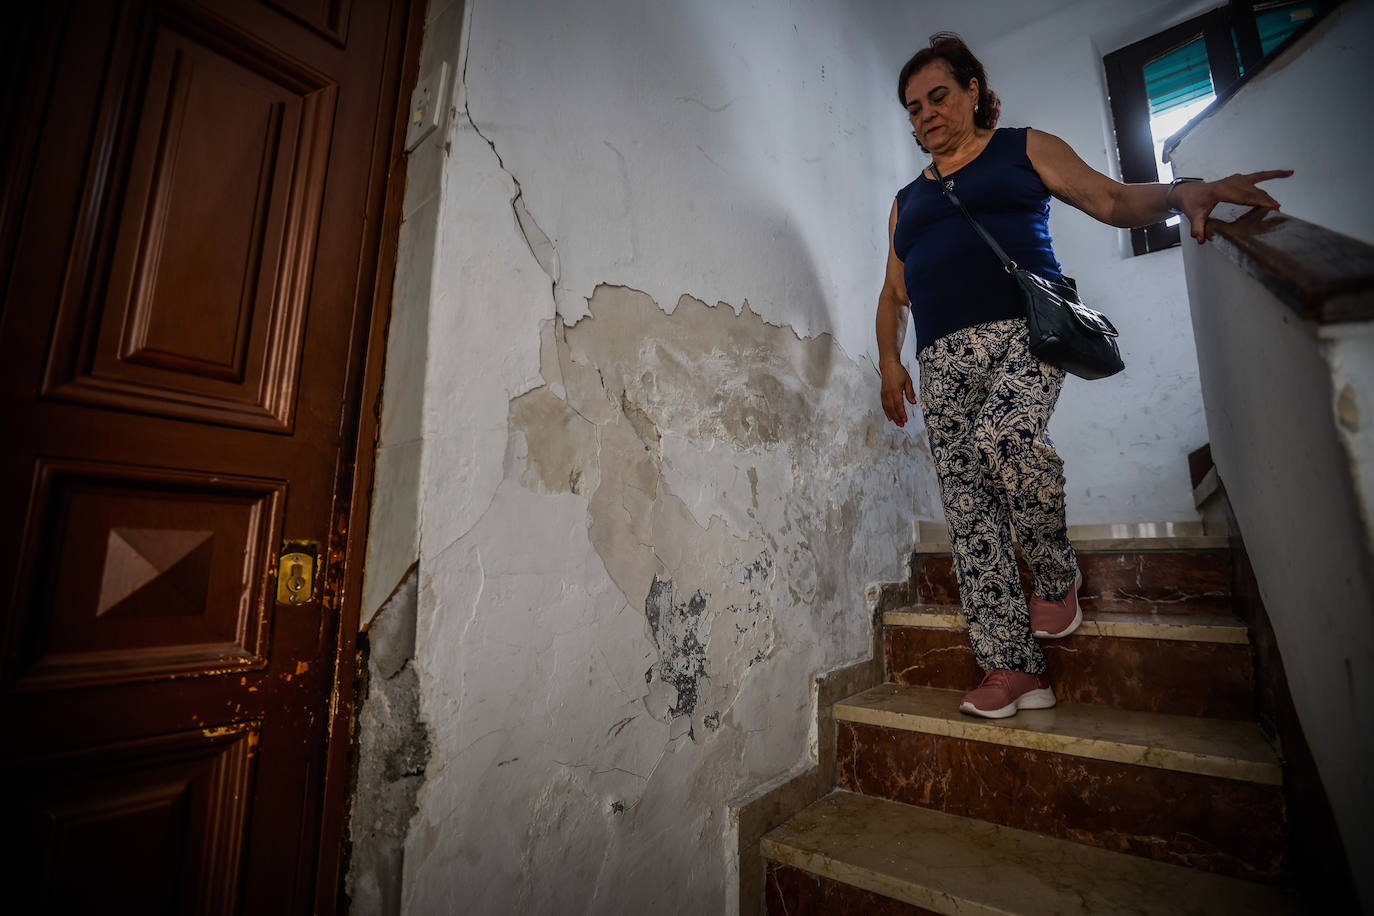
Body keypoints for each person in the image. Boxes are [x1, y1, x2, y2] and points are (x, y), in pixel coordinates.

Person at [876, 33, 1290, 719]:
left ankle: (1055, 574)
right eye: (913, 108)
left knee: (1008, 438)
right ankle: (1014, 671)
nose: (925, 114)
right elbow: (894, 295)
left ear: (973, 90)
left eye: (938, 96)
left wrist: (1186, 192)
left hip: (1027, 331)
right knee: (971, 516)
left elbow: (1112, 200)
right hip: (939, 362)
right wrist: (891, 360)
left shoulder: (1023, 148)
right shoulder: (904, 201)